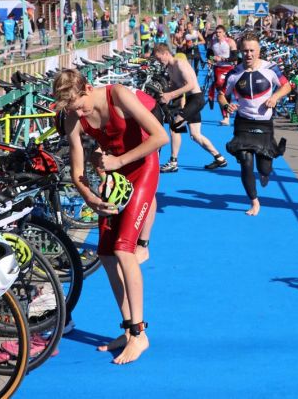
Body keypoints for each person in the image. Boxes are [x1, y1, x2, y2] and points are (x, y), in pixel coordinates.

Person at [54, 69, 168, 365]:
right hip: (116, 175)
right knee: (105, 254)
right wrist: (89, 196)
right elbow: (77, 170)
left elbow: (160, 137)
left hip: (143, 168)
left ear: (88, 88)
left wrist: (118, 160)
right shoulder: (72, 117)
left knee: (123, 249)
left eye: (81, 105)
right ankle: (129, 328)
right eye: (72, 110)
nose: (79, 113)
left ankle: (140, 334)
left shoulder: (117, 94)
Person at [219, 34, 293, 216]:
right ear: (240, 52)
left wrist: (275, 97)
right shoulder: (234, 73)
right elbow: (221, 95)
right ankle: (254, 201)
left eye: (252, 50)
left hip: (264, 125)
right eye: (245, 51)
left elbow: (287, 86)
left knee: (264, 168)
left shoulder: (271, 69)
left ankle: (265, 171)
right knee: (245, 161)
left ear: (258, 51)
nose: (249, 54)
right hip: (243, 122)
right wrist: (227, 105)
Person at [153, 44, 229, 173]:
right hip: (190, 100)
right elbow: (176, 86)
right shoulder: (170, 68)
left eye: (159, 58)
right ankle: (219, 158)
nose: (159, 62)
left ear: (166, 53)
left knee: (175, 126)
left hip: (196, 99)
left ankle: (173, 162)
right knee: (195, 135)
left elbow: (191, 85)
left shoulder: (180, 63)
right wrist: (161, 94)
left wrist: (170, 95)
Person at [207, 25, 238, 125]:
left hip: (229, 68)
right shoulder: (212, 42)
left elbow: (234, 58)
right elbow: (209, 55)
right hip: (218, 69)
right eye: (216, 32)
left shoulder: (230, 42)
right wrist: (210, 61)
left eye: (220, 32)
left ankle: (239, 114)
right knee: (221, 93)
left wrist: (222, 59)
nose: (218, 34)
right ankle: (225, 117)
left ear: (224, 33)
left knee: (231, 93)